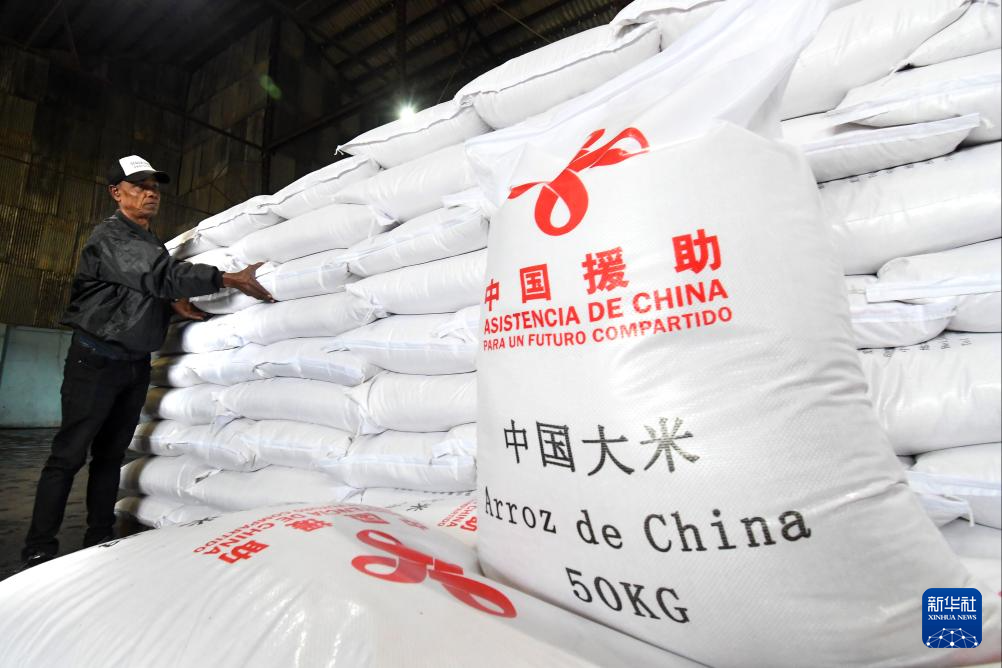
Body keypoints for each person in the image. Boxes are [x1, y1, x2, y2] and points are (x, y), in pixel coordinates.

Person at [20, 155, 273, 570]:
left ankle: (99, 536)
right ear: (116, 193)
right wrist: (228, 279)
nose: (150, 193)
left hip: (134, 365)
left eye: (154, 186)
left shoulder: (148, 240)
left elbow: (140, 290)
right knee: (68, 456)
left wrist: (173, 306)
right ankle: (39, 547)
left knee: (110, 456)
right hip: (96, 361)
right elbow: (159, 276)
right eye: (139, 185)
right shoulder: (112, 237)